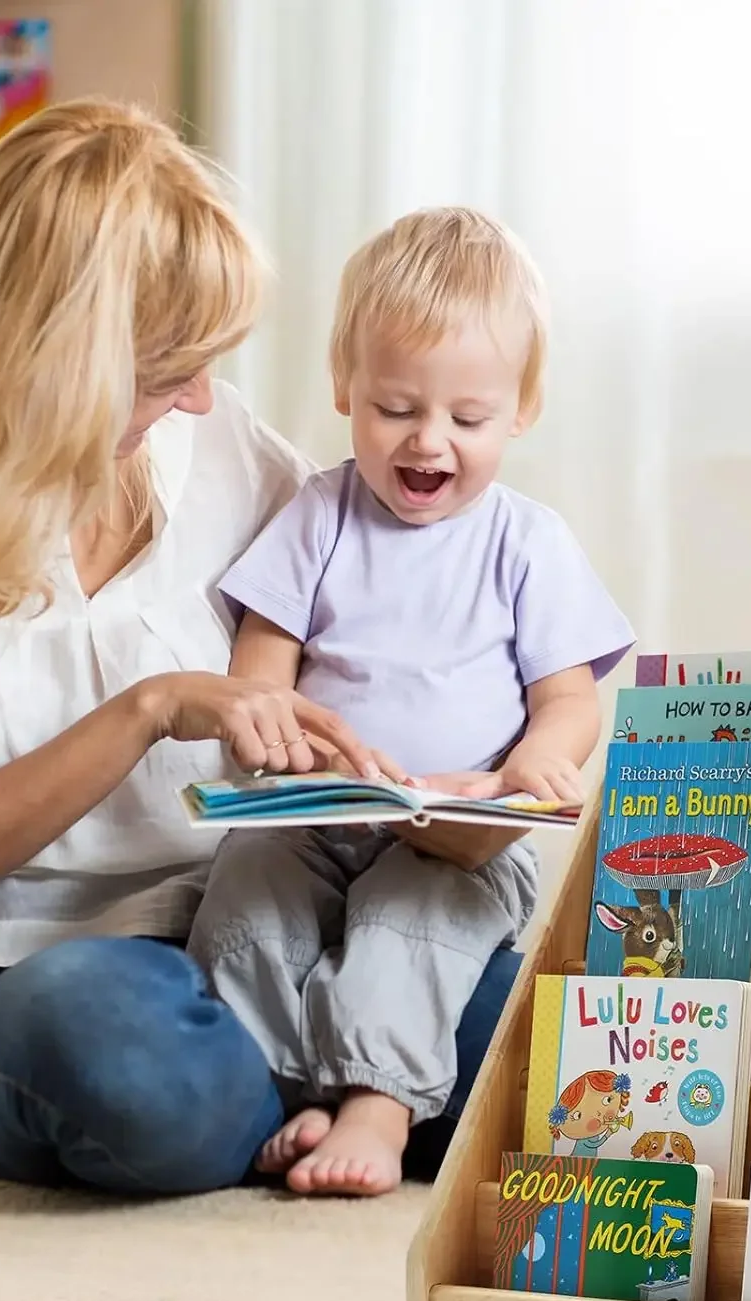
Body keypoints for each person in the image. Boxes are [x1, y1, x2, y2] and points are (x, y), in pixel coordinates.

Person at [0, 100, 526, 1194]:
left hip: (258, 929)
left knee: (534, 1043)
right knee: (123, 1048)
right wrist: (148, 709)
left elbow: (375, 610)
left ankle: (305, 1094)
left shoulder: (211, 436)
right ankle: (322, 1090)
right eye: (166, 373)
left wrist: (461, 793)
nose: (201, 398)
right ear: (50, 368)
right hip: (6, 981)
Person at [185, 209, 635, 1196]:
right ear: (346, 387)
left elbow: (569, 698)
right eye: (394, 408)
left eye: (467, 420)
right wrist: (271, 734)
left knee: (405, 918)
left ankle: (379, 1107)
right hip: (321, 814)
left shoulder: (527, 542)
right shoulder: (319, 514)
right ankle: (289, 1091)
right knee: (245, 900)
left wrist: (534, 763)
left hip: (453, 831)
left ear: (521, 407)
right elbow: (263, 660)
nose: (429, 441)